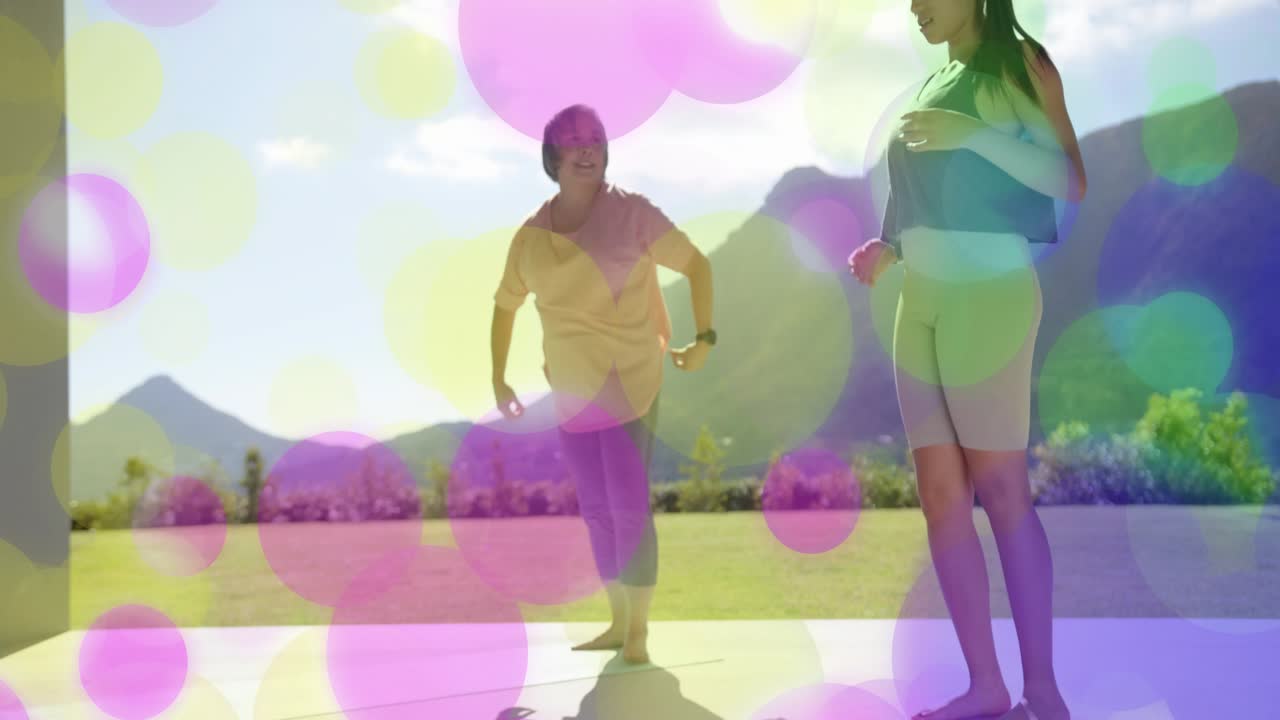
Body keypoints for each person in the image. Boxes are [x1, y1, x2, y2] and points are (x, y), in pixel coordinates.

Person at [848, 1, 1087, 719]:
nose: (914, 7)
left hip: (989, 296)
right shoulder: (930, 83)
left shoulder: (1020, 63)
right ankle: (986, 687)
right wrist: (889, 245)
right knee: (941, 496)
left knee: (1002, 490)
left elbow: (1069, 178)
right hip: (917, 300)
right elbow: (930, 193)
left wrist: (973, 135)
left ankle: (1042, 691)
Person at [490, 104, 716, 665]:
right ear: (553, 156)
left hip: (628, 379)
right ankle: (618, 622)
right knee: (595, 508)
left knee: (627, 504)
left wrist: (704, 338)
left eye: (595, 139)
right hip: (570, 388)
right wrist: (498, 377)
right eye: (573, 141)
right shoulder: (531, 238)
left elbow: (697, 265)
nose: (587, 148)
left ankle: (637, 631)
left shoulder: (632, 213)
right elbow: (505, 305)